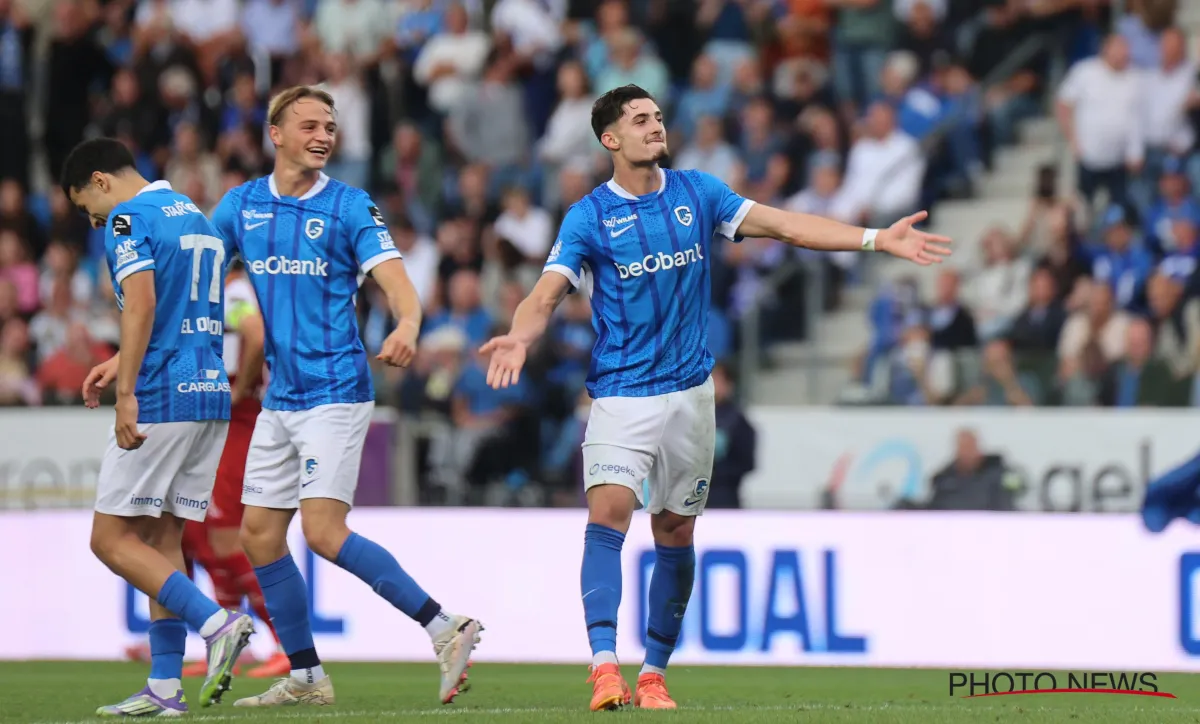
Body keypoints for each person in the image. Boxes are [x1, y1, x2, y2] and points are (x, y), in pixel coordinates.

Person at [480, 84, 950, 711]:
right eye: (640, 119)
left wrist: (873, 239)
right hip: (622, 393)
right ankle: (603, 667)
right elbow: (545, 294)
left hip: (692, 395)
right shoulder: (589, 217)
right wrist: (517, 337)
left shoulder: (698, 192)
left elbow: (785, 225)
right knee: (609, 513)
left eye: (657, 116)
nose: (656, 125)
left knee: (675, 530)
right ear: (610, 139)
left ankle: (653, 674)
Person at [210, 86, 482, 709]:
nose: (323, 135)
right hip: (280, 398)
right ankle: (306, 675)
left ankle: (446, 627)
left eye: (330, 126)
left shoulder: (350, 206)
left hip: (335, 389)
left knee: (325, 532)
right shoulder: (241, 206)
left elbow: (397, 285)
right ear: (274, 134)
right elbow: (193, 275)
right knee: (258, 536)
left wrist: (408, 326)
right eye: (308, 124)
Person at [63, 137, 255, 716]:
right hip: (209, 392)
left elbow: (141, 304)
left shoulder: (126, 218)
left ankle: (217, 624)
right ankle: (166, 688)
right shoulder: (192, 214)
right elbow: (186, 308)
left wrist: (127, 392)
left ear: (100, 180)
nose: (90, 219)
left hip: (162, 395)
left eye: (83, 205)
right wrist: (119, 362)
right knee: (163, 539)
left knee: (110, 539)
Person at [179, 261, 290, 679]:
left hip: (237, 420)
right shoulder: (219, 293)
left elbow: (256, 333)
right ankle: (228, 642)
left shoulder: (237, 291)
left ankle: (287, 645)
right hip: (212, 421)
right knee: (197, 534)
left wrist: (240, 388)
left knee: (228, 538)